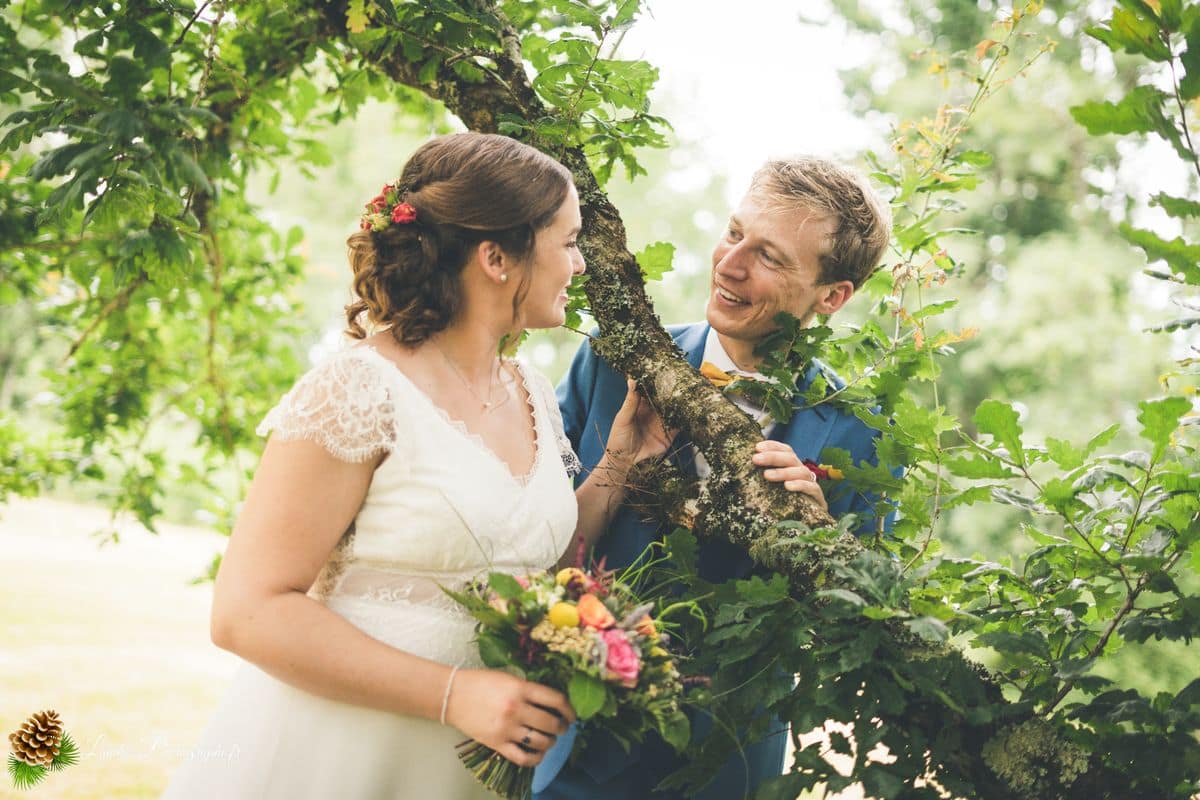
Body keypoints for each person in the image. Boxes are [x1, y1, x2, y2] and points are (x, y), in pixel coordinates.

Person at [161, 133, 815, 799]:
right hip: (343, 752)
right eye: (567, 242)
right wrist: (452, 694)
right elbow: (245, 611)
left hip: (464, 770)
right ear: (496, 258)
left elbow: (534, 559)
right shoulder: (357, 388)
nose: (582, 266)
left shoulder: (529, 390)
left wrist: (621, 460)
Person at [541, 156, 896, 800]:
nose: (731, 265)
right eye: (735, 234)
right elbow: (534, 544)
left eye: (770, 256)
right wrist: (620, 465)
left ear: (832, 296)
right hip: (571, 744)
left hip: (723, 764)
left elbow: (865, 630)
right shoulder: (610, 356)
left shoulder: (863, 435)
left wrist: (819, 536)